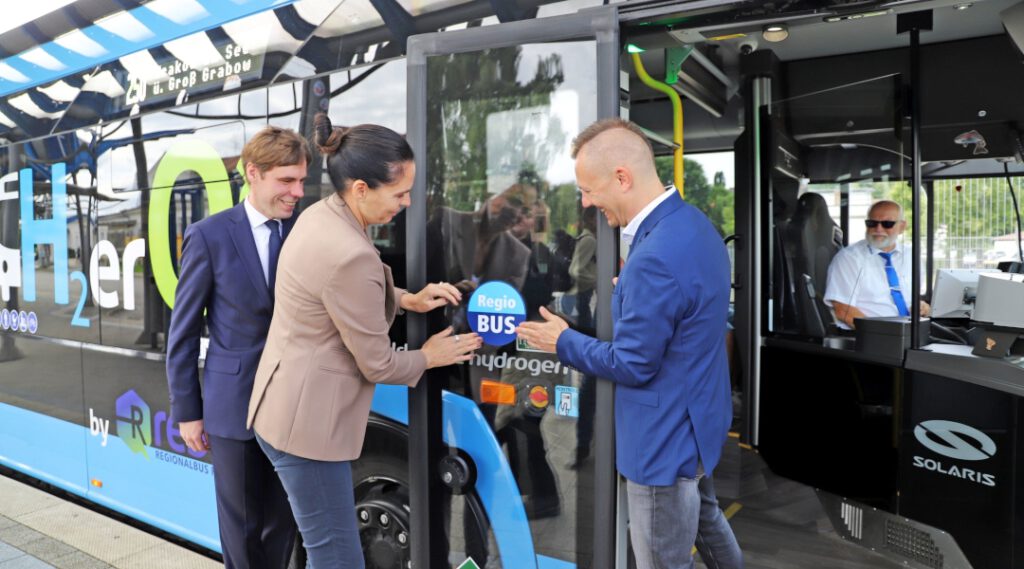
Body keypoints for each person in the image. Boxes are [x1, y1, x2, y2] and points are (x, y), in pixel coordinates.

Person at [247, 114, 482, 569]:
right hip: (307, 431)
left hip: (283, 407)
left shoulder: (321, 214)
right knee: (337, 558)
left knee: (326, 551)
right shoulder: (349, 252)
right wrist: (429, 357)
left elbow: (331, 289)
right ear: (360, 188)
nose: (408, 202)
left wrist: (405, 298)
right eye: (398, 194)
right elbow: (377, 363)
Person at [516, 118, 741, 569]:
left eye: (588, 188)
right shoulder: (694, 226)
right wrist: (630, 291)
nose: (586, 201)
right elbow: (684, 309)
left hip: (663, 444)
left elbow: (633, 363)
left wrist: (563, 340)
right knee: (709, 523)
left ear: (623, 177)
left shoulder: (654, 255)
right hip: (698, 423)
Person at [166, 126, 310, 569]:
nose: (297, 192)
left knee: (287, 524)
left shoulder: (302, 233)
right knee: (242, 532)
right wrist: (188, 410)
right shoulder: (209, 236)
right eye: (287, 181)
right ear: (253, 174)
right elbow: (183, 332)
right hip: (234, 407)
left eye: (302, 181)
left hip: (293, 406)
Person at [824, 199, 930, 329]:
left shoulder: (911, 256)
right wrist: (886, 334)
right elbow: (843, 311)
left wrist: (922, 307)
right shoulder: (849, 258)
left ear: (902, 227)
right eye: (872, 223)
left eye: (887, 224)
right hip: (871, 337)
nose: (878, 229)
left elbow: (909, 297)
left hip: (911, 331)